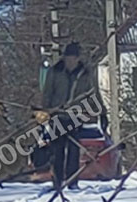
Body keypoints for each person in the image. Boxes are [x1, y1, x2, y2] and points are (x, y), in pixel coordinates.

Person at [34, 41, 107, 190]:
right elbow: (47, 93)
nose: (69, 61)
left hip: (75, 116)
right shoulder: (55, 71)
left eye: (72, 57)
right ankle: (57, 181)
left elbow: (94, 94)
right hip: (57, 115)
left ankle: (72, 181)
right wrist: (45, 111)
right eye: (67, 57)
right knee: (57, 150)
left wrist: (101, 111)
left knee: (73, 150)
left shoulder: (85, 73)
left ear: (77, 58)